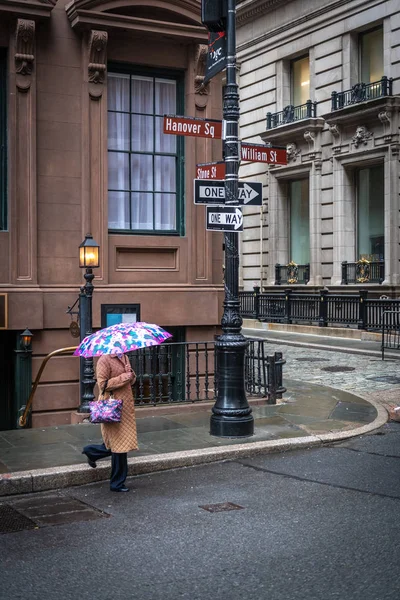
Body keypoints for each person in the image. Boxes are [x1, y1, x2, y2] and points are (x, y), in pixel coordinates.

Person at [82, 353, 138, 492]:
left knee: (119, 443)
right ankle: (116, 483)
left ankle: (92, 452)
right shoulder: (104, 360)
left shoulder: (124, 357)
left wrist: (131, 374)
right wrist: (125, 376)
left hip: (125, 408)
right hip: (112, 407)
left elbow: (130, 380)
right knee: (120, 446)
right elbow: (103, 384)